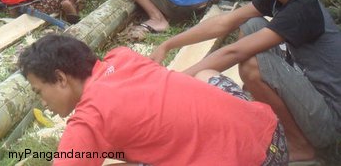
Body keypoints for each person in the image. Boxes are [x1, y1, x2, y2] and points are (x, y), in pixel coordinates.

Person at [151, 0, 341, 164]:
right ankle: (271, 119)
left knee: (252, 62)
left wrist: (173, 83)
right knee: (253, 24)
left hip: (328, 119)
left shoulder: (303, 8)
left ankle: (300, 145)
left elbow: (236, 51)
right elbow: (224, 23)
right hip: (310, 93)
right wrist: (167, 45)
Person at [18, 34, 288, 166]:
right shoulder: (122, 57)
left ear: (61, 78)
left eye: (39, 91)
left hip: (258, 162)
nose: (43, 102)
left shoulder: (90, 120)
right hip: (274, 135)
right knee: (205, 75)